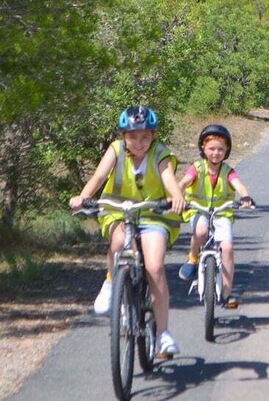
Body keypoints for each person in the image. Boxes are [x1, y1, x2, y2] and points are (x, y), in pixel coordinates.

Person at [69, 105, 185, 357]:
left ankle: (163, 333)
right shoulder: (115, 150)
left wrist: (176, 197)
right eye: (132, 136)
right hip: (118, 210)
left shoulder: (161, 154)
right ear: (123, 136)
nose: (139, 142)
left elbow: (169, 181)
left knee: (155, 268)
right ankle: (111, 283)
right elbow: (99, 176)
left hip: (154, 212)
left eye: (145, 136)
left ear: (153, 135)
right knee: (119, 241)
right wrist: (83, 197)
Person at [177, 124, 254, 308]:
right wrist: (176, 196)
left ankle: (227, 293)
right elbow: (183, 183)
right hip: (198, 210)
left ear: (226, 151)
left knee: (227, 248)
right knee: (201, 231)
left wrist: (245, 196)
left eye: (220, 149)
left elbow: (239, 185)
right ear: (203, 148)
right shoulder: (197, 168)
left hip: (222, 213)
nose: (215, 153)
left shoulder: (228, 171)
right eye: (211, 148)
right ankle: (193, 258)